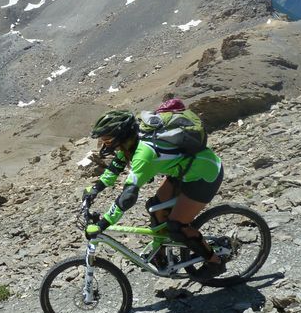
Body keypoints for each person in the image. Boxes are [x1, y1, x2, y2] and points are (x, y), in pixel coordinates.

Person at [82, 107, 226, 281]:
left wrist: (103, 224)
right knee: (155, 207)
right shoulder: (132, 141)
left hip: (204, 174)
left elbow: (128, 196)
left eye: (107, 139)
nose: (104, 144)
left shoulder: (144, 154)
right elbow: (116, 166)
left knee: (177, 225)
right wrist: (95, 189)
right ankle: (162, 252)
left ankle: (214, 262)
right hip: (184, 170)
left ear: (120, 135)